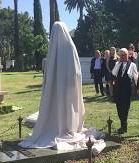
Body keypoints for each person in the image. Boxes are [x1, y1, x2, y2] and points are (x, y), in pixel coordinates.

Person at [19, 22, 106, 152]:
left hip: (67, 87)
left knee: (67, 107)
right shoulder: (64, 48)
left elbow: (73, 70)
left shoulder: (64, 48)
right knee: (63, 107)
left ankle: (67, 126)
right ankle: (64, 126)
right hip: (61, 87)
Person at [112, 48, 138, 134]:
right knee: (119, 108)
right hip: (118, 89)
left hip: (127, 89)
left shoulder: (132, 65)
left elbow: (136, 78)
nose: (123, 57)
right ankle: (122, 124)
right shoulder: (117, 64)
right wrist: (118, 63)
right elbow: (113, 73)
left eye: (124, 55)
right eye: (121, 55)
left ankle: (124, 126)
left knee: (125, 108)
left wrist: (138, 88)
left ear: (128, 55)